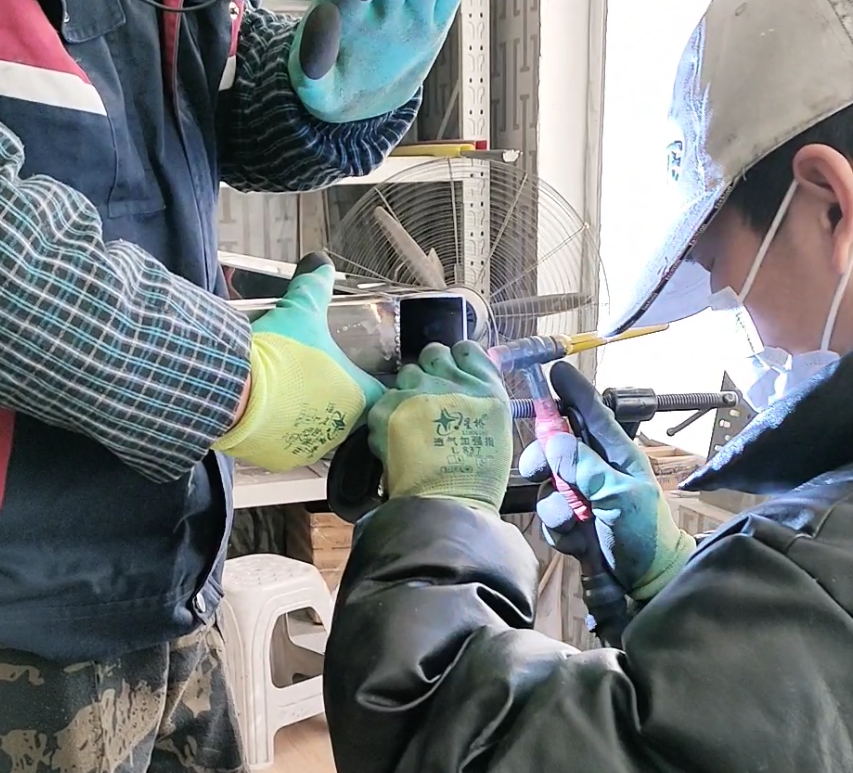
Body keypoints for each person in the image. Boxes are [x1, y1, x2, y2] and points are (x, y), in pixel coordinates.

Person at [321, 1, 853, 770]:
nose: (729, 306)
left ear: (831, 206)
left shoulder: (824, 569)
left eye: (713, 263)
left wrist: (439, 520)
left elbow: (453, 753)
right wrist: (670, 577)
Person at [0, 1, 460, 771]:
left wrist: (336, 88)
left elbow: (225, 104)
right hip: (21, 623)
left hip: (170, 574)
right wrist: (236, 382)